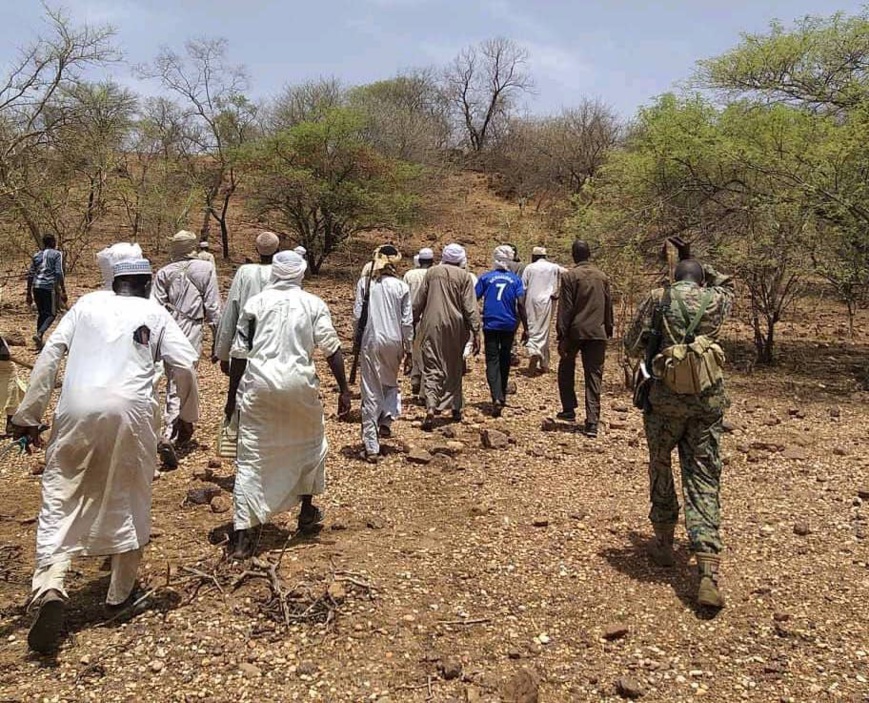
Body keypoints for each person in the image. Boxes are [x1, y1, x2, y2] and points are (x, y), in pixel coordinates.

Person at [12, 258, 199, 654]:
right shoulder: (154, 311)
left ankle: (51, 584)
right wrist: (186, 416)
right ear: (148, 282)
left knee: (62, 495)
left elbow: (49, 356)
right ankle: (119, 595)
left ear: (114, 281)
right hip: (131, 412)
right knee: (129, 496)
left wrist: (28, 415)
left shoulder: (85, 306)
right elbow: (184, 364)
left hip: (76, 408)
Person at [624, 244, 734, 609]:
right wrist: (702, 264)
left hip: (664, 402)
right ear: (702, 279)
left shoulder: (658, 298)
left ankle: (664, 542)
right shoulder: (716, 300)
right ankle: (706, 569)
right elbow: (725, 283)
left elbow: (631, 346)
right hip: (706, 403)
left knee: (660, 466)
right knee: (703, 476)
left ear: (675, 277)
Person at [225, 251, 351, 559]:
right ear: (300, 274)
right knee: (311, 445)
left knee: (252, 455)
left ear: (274, 274)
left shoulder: (255, 304)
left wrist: (231, 398)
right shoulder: (313, 304)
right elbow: (331, 349)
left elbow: (239, 353)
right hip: (300, 385)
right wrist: (344, 389)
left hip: (260, 385)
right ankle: (306, 513)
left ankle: (242, 535)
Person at [152, 230, 221, 468]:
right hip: (191, 327)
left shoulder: (163, 272)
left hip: (167, 327)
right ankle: (170, 430)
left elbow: (155, 306)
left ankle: (181, 424)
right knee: (182, 378)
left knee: (173, 377)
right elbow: (213, 307)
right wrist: (217, 340)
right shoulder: (205, 269)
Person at [354, 245, 413, 463]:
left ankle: (371, 445)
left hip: (371, 340)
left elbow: (358, 315)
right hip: (395, 341)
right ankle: (386, 419)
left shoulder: (365, 284)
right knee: (390, 382)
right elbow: (407, 322)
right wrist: (409, 349)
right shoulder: (401, 287)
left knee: (370, 390)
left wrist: (356, 340)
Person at [414, 243, 480, 431]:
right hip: (456, 325)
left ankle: (432, 406)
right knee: (454, 365)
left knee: (432, 365)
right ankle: (455, 407)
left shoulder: (432, 273)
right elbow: (470, 307)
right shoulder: (464, 276)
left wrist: (411, 320)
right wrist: (476, 331)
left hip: (432, 324)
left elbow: (419, 300)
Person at [555, 240, 613, 438]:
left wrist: (561, 335)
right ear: (589, 254)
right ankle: (592, 422)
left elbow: (566, 308)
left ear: (574, 255)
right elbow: (608, 306)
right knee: (593, 376)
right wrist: (609, 328)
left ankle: (569, 409)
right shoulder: (602, 277)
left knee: (565, 368)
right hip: (598, 332)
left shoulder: (570, 276)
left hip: (575, 332)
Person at [214, 231, 280, 375]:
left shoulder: (245, 272)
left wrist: (223, 354)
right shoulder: (284, 273)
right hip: (277, 346)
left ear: (257, 250)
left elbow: (231, 311)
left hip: (246, 345)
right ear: (278, 250)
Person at [475, 245, 528, 417]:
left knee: (492, 360)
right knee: (505, 358)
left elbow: (474, 298)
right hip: (509, 324)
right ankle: (502, 395)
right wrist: (526, 328)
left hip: (490, 323)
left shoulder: (486, 278)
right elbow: (520, 304)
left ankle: (495, 395)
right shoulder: (515, 280)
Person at [522, 246, 565, 373]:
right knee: (544, 329)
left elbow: (523, 287)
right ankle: (540, 358)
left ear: (534, 256)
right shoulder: (554, 267)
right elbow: (568, 274)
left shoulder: (529, 268)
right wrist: (558, 290)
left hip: (531, 300)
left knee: (533, 327)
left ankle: (538, 357)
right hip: (548, 301)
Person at [26, 234, 67, 350]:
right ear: (53, 242)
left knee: (42, 314)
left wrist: (28, 293)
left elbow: (30, 275)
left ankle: (39, 342)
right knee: (51, 314)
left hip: (36, 287)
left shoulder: (37, 255)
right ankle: (39, 334)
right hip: (48, 287)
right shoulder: (57, 254)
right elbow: (59, 273)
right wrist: (62, 290)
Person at [402, 248, 434, 397]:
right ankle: (423, 390)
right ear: (432, 261)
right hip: (428, 318)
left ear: (419, 261)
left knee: (415, 349)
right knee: (427, 353)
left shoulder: (409, 274)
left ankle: (415, 379)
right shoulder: (434, 274)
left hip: (411, 317)